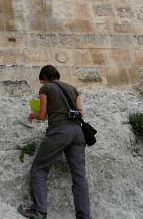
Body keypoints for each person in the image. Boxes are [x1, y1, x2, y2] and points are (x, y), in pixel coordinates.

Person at [18, 65, 92, 219]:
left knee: (39, 168)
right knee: (79, 176)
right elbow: (81, 111)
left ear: (45, 78)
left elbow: (43, 114)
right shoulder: (73, 89)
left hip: (59, 131)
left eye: (42, 81)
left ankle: (39, 210)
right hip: (78, 133)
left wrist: (34, 114)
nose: (42, 84)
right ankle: (84, 216)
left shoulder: (46, 89)